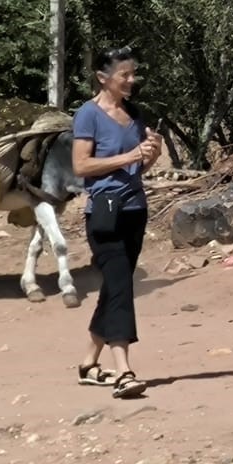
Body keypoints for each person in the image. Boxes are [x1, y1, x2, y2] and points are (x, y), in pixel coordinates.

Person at [72, 47, 162, 398]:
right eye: (124, 74)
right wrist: (127, 155)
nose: (131, 80)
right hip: (104, 214)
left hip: (135, 210)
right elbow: (81, 166)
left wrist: (149, 154)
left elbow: (138, 168)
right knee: (122, 286)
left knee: (114, 286)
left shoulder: (134, 114)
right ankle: (124, 371)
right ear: (102, 78)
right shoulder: (87, 115)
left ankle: (88, 364)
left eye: (133, 73)